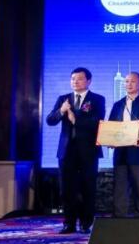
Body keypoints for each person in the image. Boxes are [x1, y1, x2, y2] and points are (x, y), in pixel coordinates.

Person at [45, 67, 105, 234]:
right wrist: (61, 111)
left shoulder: (97, 99)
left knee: (87, 188)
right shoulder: (63, 99)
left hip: (88, 151)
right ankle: (68, 224)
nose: (75, 82)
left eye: (79, 79)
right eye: (73, 79)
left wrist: (75, 119)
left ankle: (86, 224)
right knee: (67, 189)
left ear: (88, 81)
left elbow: (97, 121)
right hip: (67, 151)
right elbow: (50, 120)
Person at [108, 71, 139, 218]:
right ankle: (119, 219)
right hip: (121, 153)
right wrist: (110, 139)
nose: (128, 84)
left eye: (132, 81)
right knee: (120, 188)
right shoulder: (118, 104)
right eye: (126, 81)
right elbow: (111, 126)